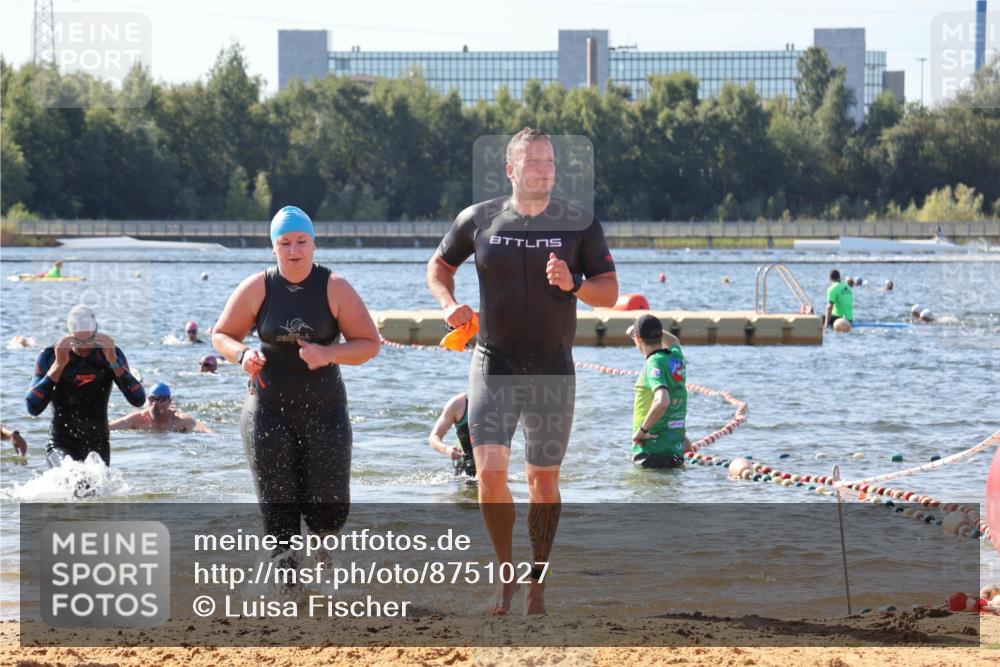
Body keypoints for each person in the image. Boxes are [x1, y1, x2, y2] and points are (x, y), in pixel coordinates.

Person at [426, 127, 618, 615]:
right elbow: (438, 267)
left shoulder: (580, 224)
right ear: (511, 170)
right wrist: (449, 304)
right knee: (490, 474)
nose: (544, 170)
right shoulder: (479, 219)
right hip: (494, 360)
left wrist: (574, 283)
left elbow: (610, 292)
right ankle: (505, 574)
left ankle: (537, 582)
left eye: (550, 161)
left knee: (542, 482)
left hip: (553, 366)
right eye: (533, 162)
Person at [212, 205, 380, 580]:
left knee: (329, 509)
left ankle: (323, 558)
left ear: (314, 244)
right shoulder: (259, 286)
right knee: (278, 512)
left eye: (301, 241)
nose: (294, 250)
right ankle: (285, 591)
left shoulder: (334, 286)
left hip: (325, 408)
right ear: (273, 248)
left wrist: (328, 353)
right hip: (268, 409)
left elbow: (369, 344)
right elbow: (221, 335)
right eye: (285, 242)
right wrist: (242, 354)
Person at [25, 305, 146, 468]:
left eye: (89, 341)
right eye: (77, 341)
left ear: (96, 335)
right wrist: (58, 366)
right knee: (73, 477)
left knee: (93, 491)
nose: (83, 347)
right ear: (69, 335)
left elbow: (138, 400)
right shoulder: (50, 356)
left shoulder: (109, 354)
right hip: (60, 443)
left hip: (98, 444)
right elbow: (32, 407)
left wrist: (113, 362)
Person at [629, 315, 691, 468]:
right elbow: (674, 340)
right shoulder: (676, 356)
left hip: (651, 451)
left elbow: (662, 400)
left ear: (638, 339)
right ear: (659, 335)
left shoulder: (653, 362)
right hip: (674, 449)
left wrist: (641, 432)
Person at [110, 383, 212, 433]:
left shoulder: (180, 420)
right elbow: (107, 428)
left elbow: (208, 432)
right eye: (152, 399)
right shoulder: (137, 419)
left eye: (161, 399)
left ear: (169, 401)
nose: (155, 404)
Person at [428, 392, 476, 478]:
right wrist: (446, 449)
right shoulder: (458, 403)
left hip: (497, 471)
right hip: (466, 473)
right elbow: (434, 436)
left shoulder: (504, 400)